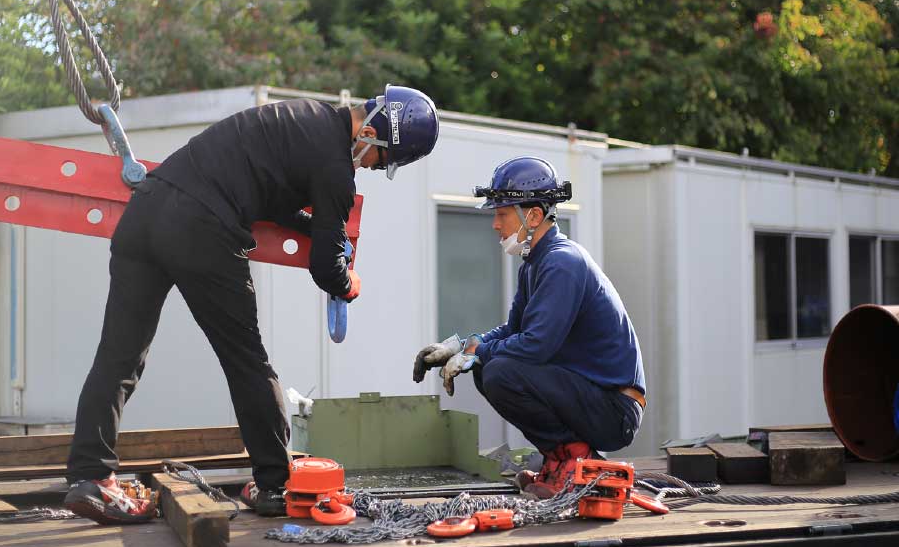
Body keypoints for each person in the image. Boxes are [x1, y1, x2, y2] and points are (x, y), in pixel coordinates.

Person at [64, 85, 439, 524]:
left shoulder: (302, 115)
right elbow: (326, 268)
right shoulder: (337, 168)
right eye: (383, 159)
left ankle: (92, 477)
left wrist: (311, 224)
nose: (374, 168)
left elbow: (270, 192)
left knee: (118, 356)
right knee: (247, 360)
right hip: (202, 229)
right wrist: (347, 282)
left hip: (146, 209)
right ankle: (276, 484)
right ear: (374, 133)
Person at [413, 156, 645, 499]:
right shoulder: (536, 263)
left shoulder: (562, 263)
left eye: (502, 213)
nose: (495, 224)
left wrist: (478, 352)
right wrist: (461, 347)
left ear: (533, 216)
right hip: (596, 398)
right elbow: (514, 329)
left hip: (615, 410)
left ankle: (574, 464)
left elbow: (536, 345)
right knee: (489, 366)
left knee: (499, 371)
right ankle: (561, 461)